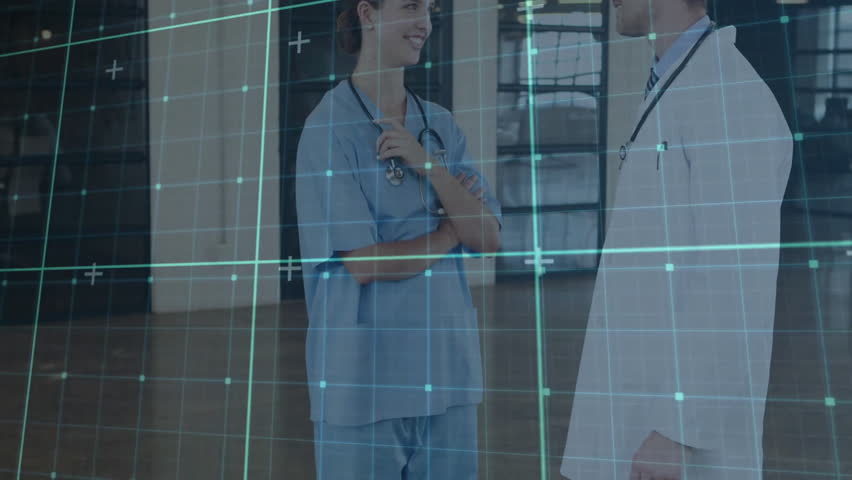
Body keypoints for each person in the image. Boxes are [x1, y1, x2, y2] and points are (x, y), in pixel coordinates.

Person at [560, 0, 792, 479]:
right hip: (640, 406)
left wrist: (678, 429)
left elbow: (734, 284)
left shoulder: (730, 97)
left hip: (672, 438)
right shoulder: (679, 83)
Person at [294, 0, 502, 477]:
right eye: (410, 6)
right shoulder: (329, 130)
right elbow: (365, 264)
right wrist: (450, 231)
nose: (424, 22)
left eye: (428, 8)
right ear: (368, 14)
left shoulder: (439, 126)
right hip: (365, 381)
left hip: (445, 374)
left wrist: (429, 167)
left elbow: (488, 236)